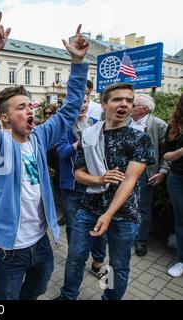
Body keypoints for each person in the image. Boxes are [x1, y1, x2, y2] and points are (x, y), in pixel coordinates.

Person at [0, 13, 89, 300]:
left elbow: (71, 108)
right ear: (5, 117)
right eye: (21, 107)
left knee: (37, 289)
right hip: (10, 248)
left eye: (30, 105)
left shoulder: (39, 138)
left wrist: (77, 63)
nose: (30, 110)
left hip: (41, 241)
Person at [58, 83, 155, 300]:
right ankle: (68, 295)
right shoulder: (89, 134)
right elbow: (78, 172)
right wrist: (99, 179)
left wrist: (108, 214)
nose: (124, 104)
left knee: (117, 266)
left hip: (123, 214)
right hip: (89, 207)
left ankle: (109, 297)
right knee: (75, 257)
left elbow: (130, 181)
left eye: (129, 100)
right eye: (117, 99)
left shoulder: (139, 139)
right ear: (104, 104)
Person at [55, 95, 107, 278]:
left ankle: (98, 261)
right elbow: (62, 153)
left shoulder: (96, 123)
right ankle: (76, 257)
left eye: (85, 101)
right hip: (72, 187)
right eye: (77, 102)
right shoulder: (63, 127)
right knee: (73, 225)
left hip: (95, 185)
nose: (82, 105)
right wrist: (82, 140)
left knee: (99, 225)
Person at [129, 94, 170, 257]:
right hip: (124, 170)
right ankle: (127, 235)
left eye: (134, 104)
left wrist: (163, 172)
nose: (130, 106)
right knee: (125, 204)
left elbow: (165, 151)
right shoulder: (126, 121)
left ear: (144, 109)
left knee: (143, 209)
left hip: (146, 173)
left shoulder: (159, 125)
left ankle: (141, 241)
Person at [163, 93, 183, 278]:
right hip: (178, 179)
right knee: (181, 221)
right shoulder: (175, 127)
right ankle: (181, 260)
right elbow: (166, 156)